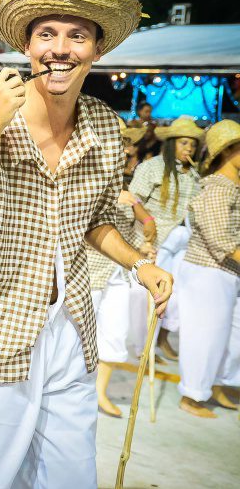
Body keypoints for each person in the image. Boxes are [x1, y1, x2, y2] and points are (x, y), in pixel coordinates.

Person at [0, 0, 173, 488]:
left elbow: (99, 220)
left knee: (68, 473)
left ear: (96, 50)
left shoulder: (105, 126)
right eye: (48, 34)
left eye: (77, 36)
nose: (60, 49)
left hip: (70, 327)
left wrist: (140, 263)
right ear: (27, 46)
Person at [87, 118, 156, 417]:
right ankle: (76, 391)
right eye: (117, 140)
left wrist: (141, 247)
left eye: (124, 142)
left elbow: (130, 225)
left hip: (117, 271)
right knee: (77, 334)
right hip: (89, 267)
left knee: (115, 332)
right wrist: (116, 200)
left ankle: (99, 393)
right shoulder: (85, 174)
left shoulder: (124, 181)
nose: (124, 148)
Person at [176, 119, 240, 418]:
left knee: (228, 335)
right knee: (205, 335)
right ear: (230, 151)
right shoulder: (218, 188)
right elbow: (220, 240)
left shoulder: (230, 187)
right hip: (208, 272)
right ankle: (192, 395)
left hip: (225, 272)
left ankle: (216, 385)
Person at [130, 115, 203, 361]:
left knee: (179, 295)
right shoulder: (152, 167)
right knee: (154, 295)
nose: (189, 149)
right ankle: (145, 349)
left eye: (192, 144)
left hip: (185, 240)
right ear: (172, 143)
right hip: (158, 239)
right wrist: (147, 226)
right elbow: (134, 200)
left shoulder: (194, 174)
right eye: (183, 143)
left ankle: (162, 340)